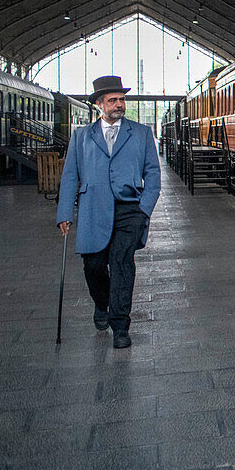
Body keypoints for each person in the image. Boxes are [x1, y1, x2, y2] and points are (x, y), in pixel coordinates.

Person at [56, 76, 161, 348]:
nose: (119, 104)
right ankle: (101, 304)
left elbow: (153, 172)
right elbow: (69, 177)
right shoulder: (81, 137)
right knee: (93, 266)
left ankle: (120, 325)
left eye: (122, 99)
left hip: (129, 210)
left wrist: (144, 209)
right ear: (99, 104)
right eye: (113, 100)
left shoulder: (140, 133)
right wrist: (64, 213)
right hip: (93, 210)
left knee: (122, 264)